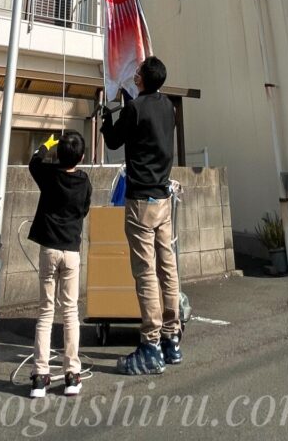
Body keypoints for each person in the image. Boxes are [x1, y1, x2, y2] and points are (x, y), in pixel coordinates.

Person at [101, 55, 182, 375]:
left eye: (137, 73)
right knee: (168, 267)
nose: (133, 75)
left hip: (140, 203)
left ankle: (149, 345)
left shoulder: (134, 109)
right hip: (163, 199)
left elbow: (113, 139)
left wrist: (107, 118)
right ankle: (171, 339)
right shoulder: (169, 109)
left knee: (145, 272)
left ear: (142, 79)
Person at [27, 130, 92, 398]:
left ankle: (40, 377)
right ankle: (71, 375)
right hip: (71, 252)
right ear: (82, 156)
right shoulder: (84, 181)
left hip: (49, 250)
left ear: (58, 155)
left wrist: (47, 144)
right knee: (70, 313)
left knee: (45, 312)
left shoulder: (50, 175)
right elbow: (85, 209)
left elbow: (33, 162)